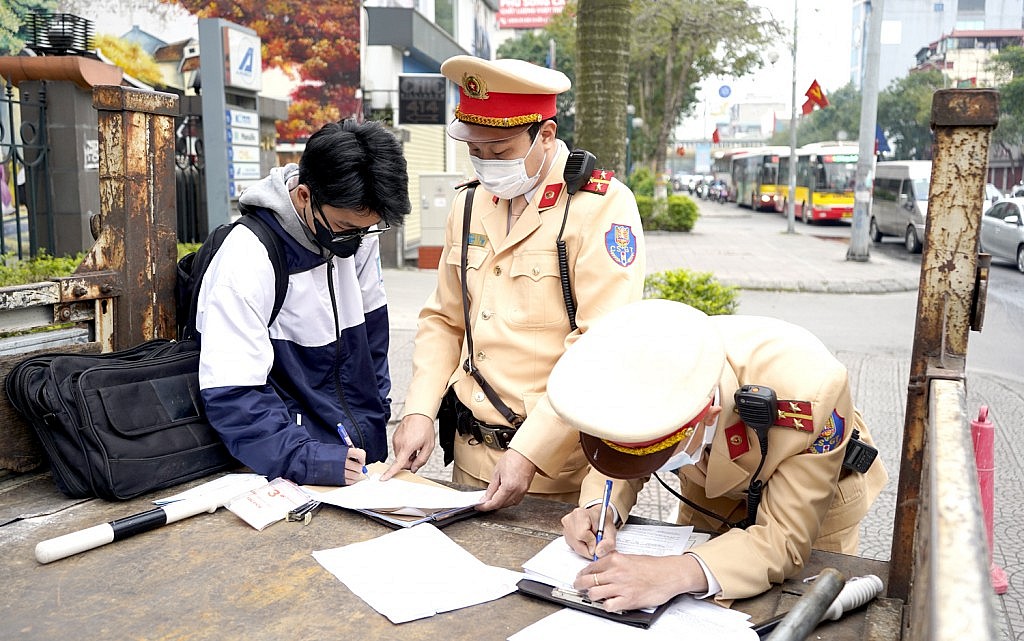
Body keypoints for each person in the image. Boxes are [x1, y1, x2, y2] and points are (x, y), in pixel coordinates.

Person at [383, 55, 646, 510]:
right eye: (475, 150)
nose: (486, 164)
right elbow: (445, 319)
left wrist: (531, 449)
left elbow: (600, 346)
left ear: (545, 134)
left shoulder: (598, 206)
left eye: (500, 151)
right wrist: (420, 410)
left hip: (553, 469)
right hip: (467, 458)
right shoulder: (468, 205)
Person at [552, 299, 888, 609]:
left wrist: (673, 573)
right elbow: (621, 442)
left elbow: (783, 540)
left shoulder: (810, 392)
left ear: (709, 413)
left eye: (660, 452)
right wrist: (600, 508)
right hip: (709, 494)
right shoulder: (649, 361)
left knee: (804, 606)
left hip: (814, 504)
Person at [196, 119, 410, 487]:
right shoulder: (247, 258)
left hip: (356, 467)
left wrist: (377, 415)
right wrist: (310, 459)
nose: (358, 240)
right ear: (304, 195)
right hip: (284, 471)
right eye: (346, 228)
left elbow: (373, 342)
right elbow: (233, 394)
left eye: (368, 228)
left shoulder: (355, 235)